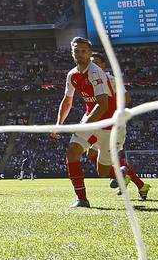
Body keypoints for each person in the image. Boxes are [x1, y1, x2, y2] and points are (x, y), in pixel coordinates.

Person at [55, 38, 129, 208]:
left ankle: (120, 174)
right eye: (76, 51)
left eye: (83, 51)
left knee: (102, 171)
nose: (80, 54)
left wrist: (84, 125)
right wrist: (59, 124)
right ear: (72, 53)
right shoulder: (72, 75)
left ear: (89, 53)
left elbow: (102, 105)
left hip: (109, 125)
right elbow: (67, 101)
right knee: (72, 151)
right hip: (91, 119)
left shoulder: (96, 72)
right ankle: (82, 199)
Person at [89, 52, 149, 198]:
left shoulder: (110, 79)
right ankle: (139, 184)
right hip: (98, 124)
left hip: (111, 125)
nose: (93, 65)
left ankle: (122, 176)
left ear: (103, 65)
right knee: (92, 152)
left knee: (97, 153)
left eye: (96, 62)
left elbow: (127, 97)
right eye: (91, 63)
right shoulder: (91, 80)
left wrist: (113, 112)